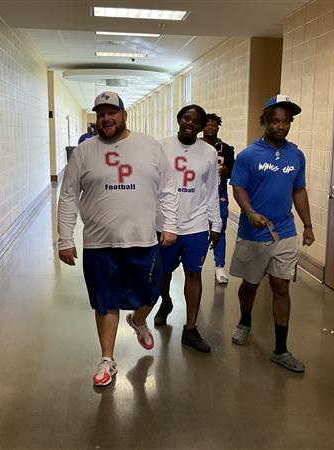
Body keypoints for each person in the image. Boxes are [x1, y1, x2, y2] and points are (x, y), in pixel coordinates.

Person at [57, 91, 178, 387]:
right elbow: (69, 195)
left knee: (152, 292)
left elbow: (168, 188)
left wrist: (170, 224)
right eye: (101, 114)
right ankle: (107, 359)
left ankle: (137, 320)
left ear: (124, 115)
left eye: (112, 112)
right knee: (105, 302)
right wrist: (64, 239)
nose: (106, 118)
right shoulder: (85, 152)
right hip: (100, 244)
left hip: (144, 239)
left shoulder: (149, 146)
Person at [229, 94, 315, 373]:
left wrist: (308, 225)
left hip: (285, 231)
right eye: (276, 121)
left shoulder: (296, 155)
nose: (281, 126)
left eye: (286, 121)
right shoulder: (248, 155)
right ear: (265, 120)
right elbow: (238, 187)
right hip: (254, 231)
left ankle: (280, 349)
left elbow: (299, 190)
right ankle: (245, 321)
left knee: (281, 287)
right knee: (250, 285)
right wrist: (250, 212)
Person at [153, 104, 222, 353]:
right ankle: (165, 302)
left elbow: (212, 189)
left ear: (203, 127)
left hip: (196, 224)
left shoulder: (209, 152)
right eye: (185, 118)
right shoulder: (161, 146)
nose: (189, 124)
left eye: (196, 121)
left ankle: (190, 329)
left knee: (194, 274)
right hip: (165, 224)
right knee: (162, 273)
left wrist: (217, 224)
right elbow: (152, 184)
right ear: (179, 119)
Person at [201, 113, 235, 284]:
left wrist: (227, 170)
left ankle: (219, 266)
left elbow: (233, 173)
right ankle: (196, 265)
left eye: (214, 125)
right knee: (198, 229)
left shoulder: (226, 149)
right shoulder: (195, 145)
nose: (210, 128)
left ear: (218, 127)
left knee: (219, 228)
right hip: (197, 194)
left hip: (219, 192)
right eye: (207, 124)